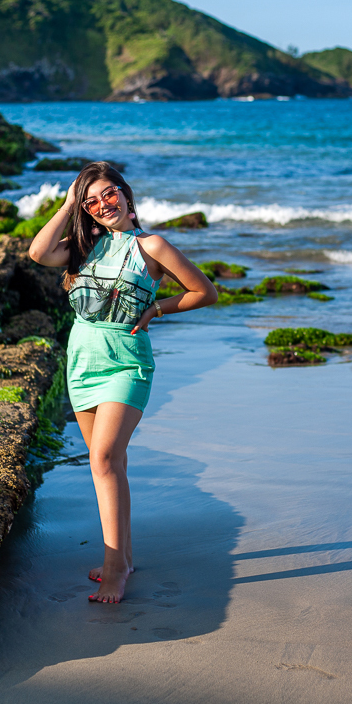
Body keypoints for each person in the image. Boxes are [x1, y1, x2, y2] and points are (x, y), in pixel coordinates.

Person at [28, 161, 218, 603]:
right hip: (81, 359)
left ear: (127, 195)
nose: (102, 204)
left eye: (109, 194)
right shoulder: (84, 244)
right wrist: (69, 202)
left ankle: (115, 568)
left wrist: (158, 309)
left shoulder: (152, 246)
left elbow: (204, 291)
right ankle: (125, 556)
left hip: (126, 361)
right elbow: (38, 253)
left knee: (105, 459)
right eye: (91, 200)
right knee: (109, 465)